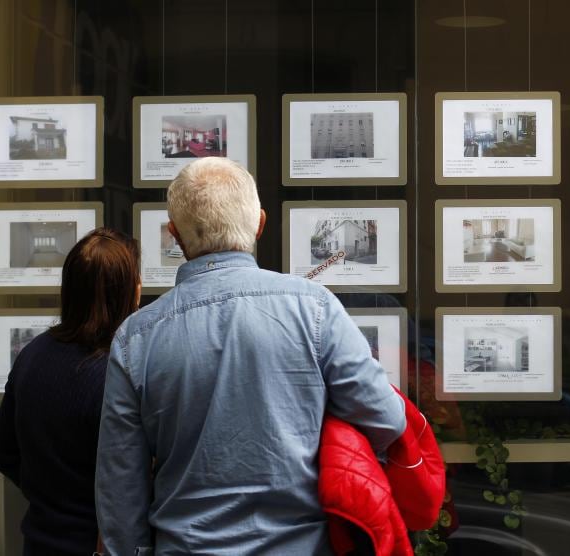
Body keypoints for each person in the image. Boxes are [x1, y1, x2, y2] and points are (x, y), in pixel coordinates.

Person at [95, 157, 406, 554]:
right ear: (260, 223)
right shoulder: (315, 308)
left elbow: (120, 482)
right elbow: (386, 418)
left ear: (175, 235)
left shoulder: (135, 337)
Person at [0, 228, 141, 555]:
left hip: (40, 540)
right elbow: (129, 481)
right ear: (130, 294)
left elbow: (1, 451)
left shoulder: (32, 354)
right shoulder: (115, 373)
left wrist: (51, 497)